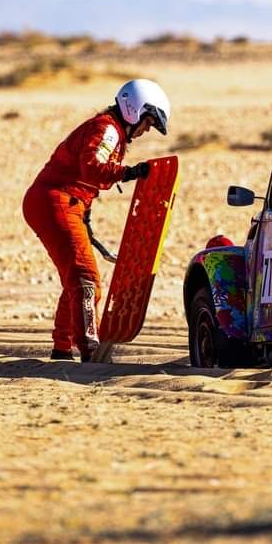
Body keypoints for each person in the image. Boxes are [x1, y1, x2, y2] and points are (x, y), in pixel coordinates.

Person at [22, 79, 170, 362]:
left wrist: (85, 216)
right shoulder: (107, 129)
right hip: (56, 201)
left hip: (59, 203)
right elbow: (92, 167)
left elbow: (84, 174)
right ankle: (91, 350)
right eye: (148, 122)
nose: (145, 130)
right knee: (86, 278)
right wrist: (129, 173)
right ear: (135, 110)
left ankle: (62, 350)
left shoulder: (109, 130)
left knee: (75, 278)